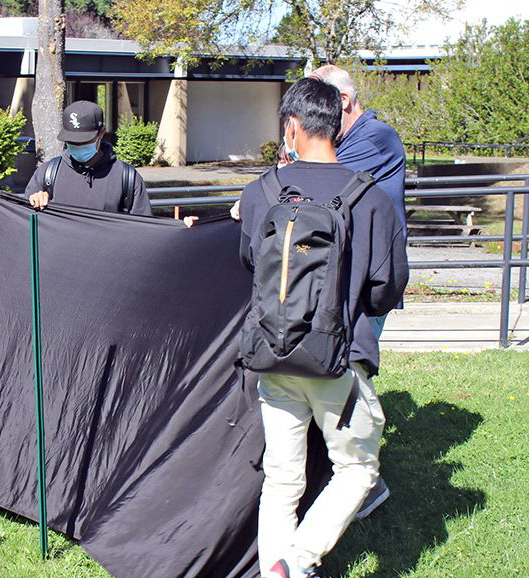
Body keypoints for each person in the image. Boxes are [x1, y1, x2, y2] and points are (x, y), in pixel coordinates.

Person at [237, 78, 408, 578]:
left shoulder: (259, 192)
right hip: (338, 358)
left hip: (272, 353)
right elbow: (386, 288)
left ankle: (276, 567)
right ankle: (296, 560)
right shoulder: (369, 198)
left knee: (281, 478)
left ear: (291, 126)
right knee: (355, 469)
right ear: (339, 121)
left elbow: (248, 261)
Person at [312, 64, 407, 519]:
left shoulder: (374, 138)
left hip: (369, 283)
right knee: (337, 371)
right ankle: (345, 471)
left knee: (351, 375)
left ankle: (365, 482)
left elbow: (320, 185)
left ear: (342, 103)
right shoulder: (348, 141)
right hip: (343, 278)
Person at [25, 100, 152, 215]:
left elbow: (144, 229)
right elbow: (26, 222)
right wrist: (35, 201)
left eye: (84, 141)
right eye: (72, 141)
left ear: (101, 133)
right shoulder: (47, 173)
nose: (78, 146)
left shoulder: (127, 177)